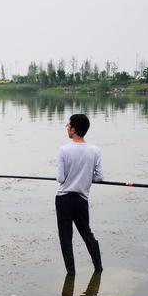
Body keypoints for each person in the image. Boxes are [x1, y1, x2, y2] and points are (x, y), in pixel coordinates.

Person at [56, 114, 103, 276]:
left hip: (63, 199)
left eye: (68, 126)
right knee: (87, 234)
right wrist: (85, 175)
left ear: (74, 129)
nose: (67, 128)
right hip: (81, 199)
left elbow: (60, 179)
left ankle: (71, 273)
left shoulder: (64, 150)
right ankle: (98, 268)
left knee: (65, 238)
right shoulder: (95, 150)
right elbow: (99, 177)